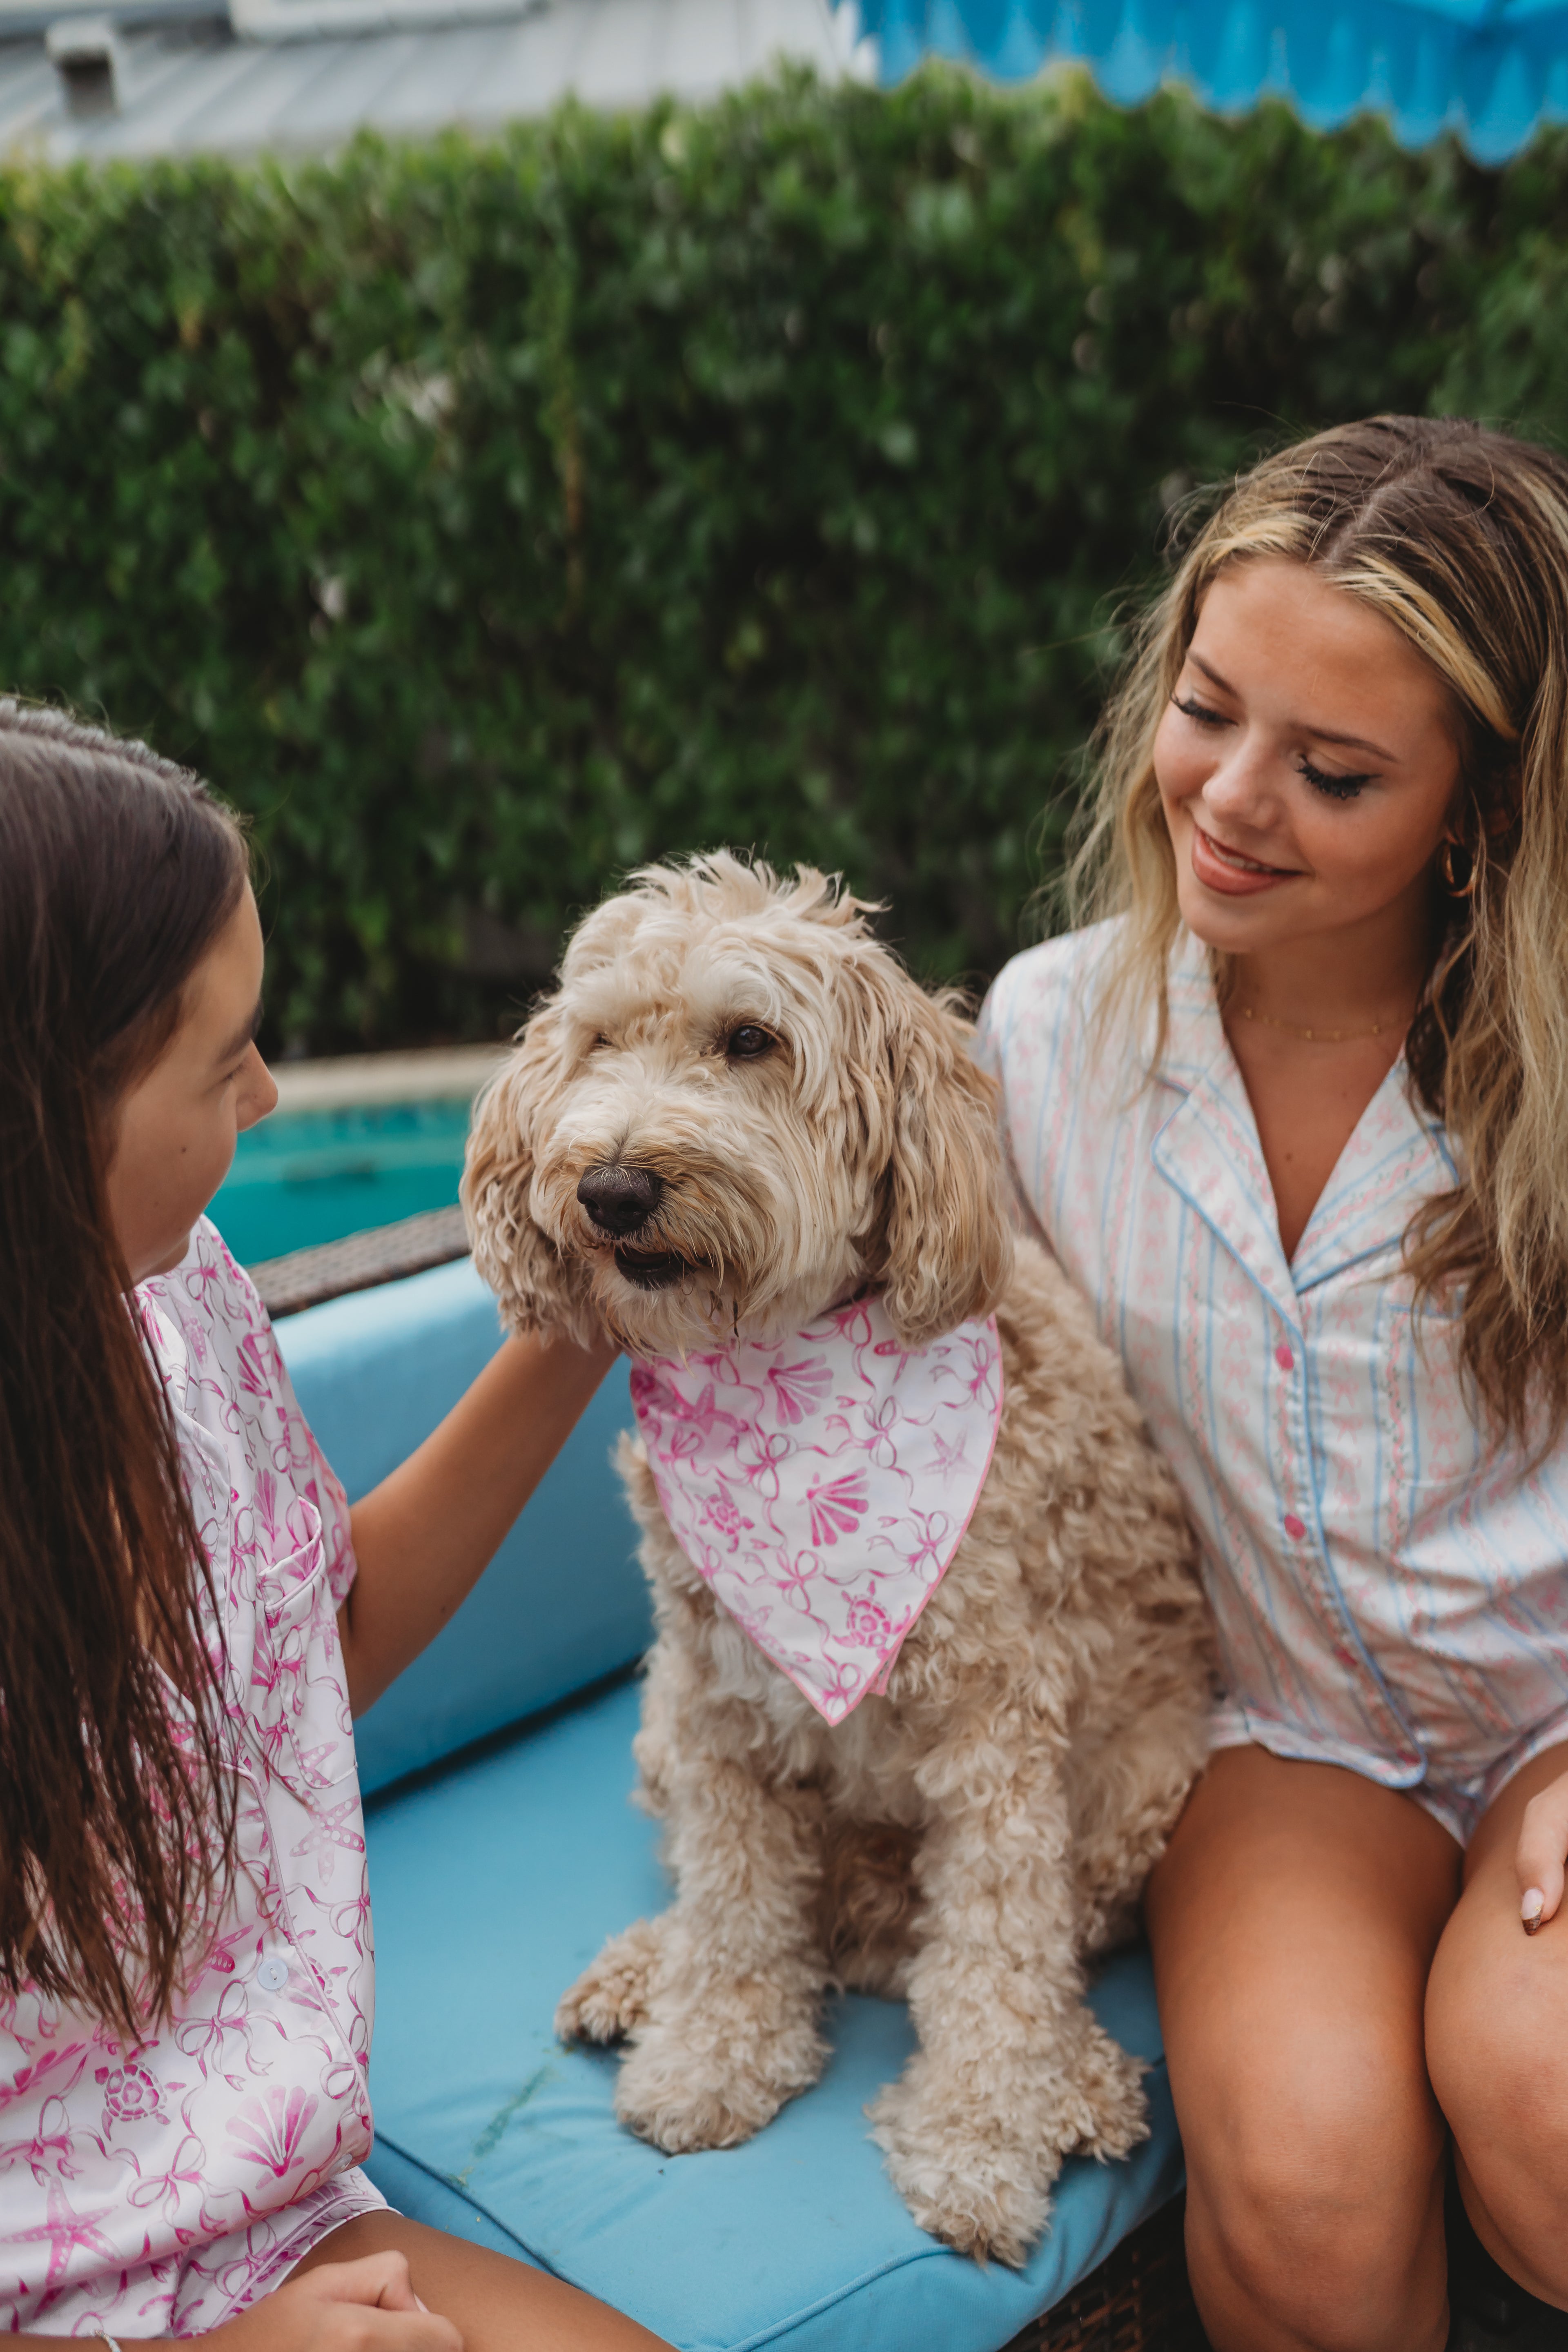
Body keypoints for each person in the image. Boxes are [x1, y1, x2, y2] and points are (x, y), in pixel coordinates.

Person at [975, 416, 1568, 2351]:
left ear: (1481, 806)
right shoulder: (1051, 1039)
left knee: (1554, 2108)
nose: (1230, 801)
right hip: (1283, 1729)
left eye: (1334, 772)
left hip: (1559, 1710)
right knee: (1308, 2197)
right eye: (1206, 710)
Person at [0, 704, 667, 2352]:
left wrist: (586, 1316)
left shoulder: (172, 1297)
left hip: (259, 2220)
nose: (270, 1091)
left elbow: (312, 1654)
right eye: (223, 1060)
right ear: (45, 1114)